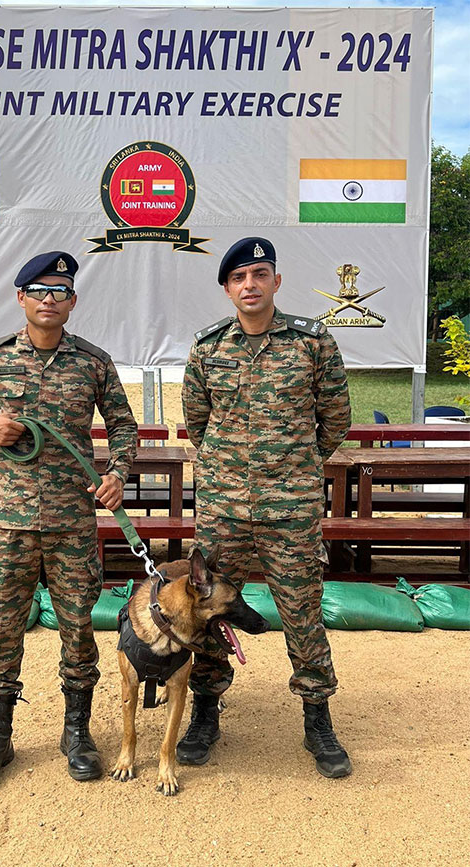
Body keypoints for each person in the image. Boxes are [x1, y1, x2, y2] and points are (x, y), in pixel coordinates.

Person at [0, 250, 138, 793]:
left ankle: (76, 735)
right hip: (9, 520)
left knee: (77, 629)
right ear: (21, 299)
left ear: (73, 301)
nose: (49, 299)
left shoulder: (93, 362)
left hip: (72, 522)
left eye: (60, 290)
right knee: (4, 629)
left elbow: (124, 427)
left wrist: (118, 473)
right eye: (39, 290)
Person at [180, 237, 352, 778]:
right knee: (206, 610)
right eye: (238, 278)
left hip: (291, 509)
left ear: (276, 281)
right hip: (223, 509)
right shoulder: (208, 348)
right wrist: (233, 473)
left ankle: (317, 717)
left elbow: (336, 419)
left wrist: (295, 468)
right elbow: (199, 425)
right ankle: (207, 708)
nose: (249, 285)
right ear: (227, 289)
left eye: (259, 274)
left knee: (301, 610)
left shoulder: (312, 343)